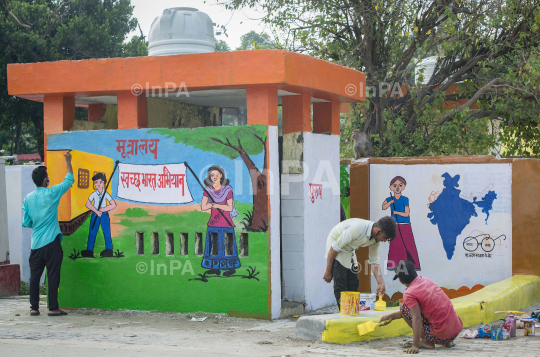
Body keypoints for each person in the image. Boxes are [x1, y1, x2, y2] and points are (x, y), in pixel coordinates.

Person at [22, 152, 74, 317]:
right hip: (51, 242)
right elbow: (69, 180)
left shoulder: (27, 199)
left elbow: (26, 222)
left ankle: (34, 308)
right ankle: (53, 308)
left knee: (35, 277)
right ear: (46, 180)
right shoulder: (52, 193)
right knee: (52, 275)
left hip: (35, 244)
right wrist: (68, 161)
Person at [379, 260, 463, 354]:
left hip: (441, 335)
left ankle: (427, 342)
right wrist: (392, 316)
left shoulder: (409, 293)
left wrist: (415, 345)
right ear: (415, 272)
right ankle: (447, 342)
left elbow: (416, 318)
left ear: (401, 281)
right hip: (455, 332)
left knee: (404, 308)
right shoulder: (426, 280)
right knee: (413, 310)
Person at [323, 217, 397, 308]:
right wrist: (328, 271)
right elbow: (335, 247)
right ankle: (344, 315)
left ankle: (351, 311)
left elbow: (374, 261)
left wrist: (381, 283)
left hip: (349, 249)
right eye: (385, 238)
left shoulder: (375, 239)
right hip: (335, 245)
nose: (385, 241)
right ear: (379, 231)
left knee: (353, 282)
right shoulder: (358, 229)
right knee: (341, 284)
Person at [200, 165, 240, 276]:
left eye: (217, 174)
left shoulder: (228, 189)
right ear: (209, 177)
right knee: (214, 246)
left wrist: (215, 205)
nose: (215, 177)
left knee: (227, 246)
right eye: (212, 175)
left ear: (221, 175)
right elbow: (203, 206)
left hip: (226, 223)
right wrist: (212, 204)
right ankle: (214, 268)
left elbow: (229, 207)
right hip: (213, 223)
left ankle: (230, 268)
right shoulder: (207, 190)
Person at [382, 176, 421, 270]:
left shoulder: (405, 199)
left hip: (405, 225)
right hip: (394, 225)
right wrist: (390, 202)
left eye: (400, 185)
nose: (397, 188)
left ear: (404, 186)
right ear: (391, 187)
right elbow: (383, 207)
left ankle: (413, 266)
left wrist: (396, 213)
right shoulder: (389, 199)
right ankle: (394, 265)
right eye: (394, 185)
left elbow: (406, 213)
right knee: (395, 245)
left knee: (408, 244)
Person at [81, 173, 117, 258]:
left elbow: (113, 204)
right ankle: (89, 251)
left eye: (100, 182)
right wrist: (96, 211)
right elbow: (88, 204)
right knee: (92, 232)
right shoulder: (94, 194)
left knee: (106, 232)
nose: (98, 184)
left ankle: (109, 250)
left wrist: (103, 209)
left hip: (104, 215)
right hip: (95, 214)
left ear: (104, 183)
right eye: (96, 182)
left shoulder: (106, 194)